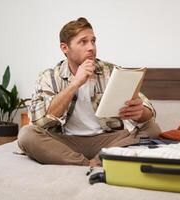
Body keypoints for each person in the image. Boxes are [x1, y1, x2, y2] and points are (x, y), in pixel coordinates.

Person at [18, 17, 161, 166]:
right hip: (66, 142)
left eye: (93, 41)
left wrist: (141, 113)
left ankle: (99, 159)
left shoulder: (111, 71)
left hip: (108, 140)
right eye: (83, 42)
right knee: (26, 135)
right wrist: (75, 84)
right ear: (65, 48)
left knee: (152, 129)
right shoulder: (49, 77)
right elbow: (39, 121)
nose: (91, 47)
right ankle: (87, 164)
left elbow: (148, 110)